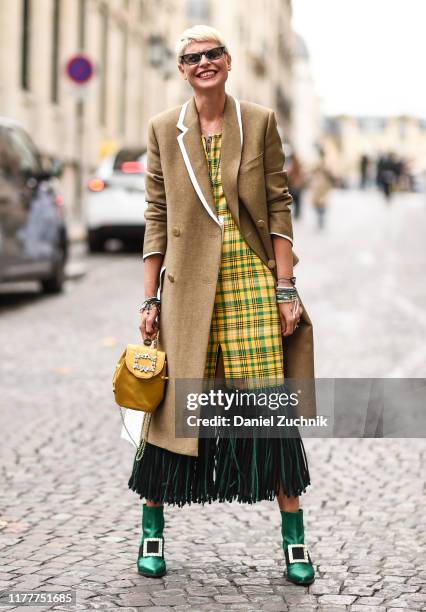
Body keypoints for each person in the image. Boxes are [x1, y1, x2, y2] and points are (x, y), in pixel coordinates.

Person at [128, 25, 316, 586]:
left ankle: (294, 540)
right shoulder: (165, 129)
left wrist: (285, 289)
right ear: (182, 69)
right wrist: (149, 298)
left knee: (270, 413)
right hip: (187, 290)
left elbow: (279, 205)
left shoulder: (257, 121)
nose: (203, 63)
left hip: (250, 285)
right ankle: (152, 530)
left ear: (228, 62)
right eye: (192, 57)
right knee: (171, 413)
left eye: (212, 54)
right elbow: (156, 216)